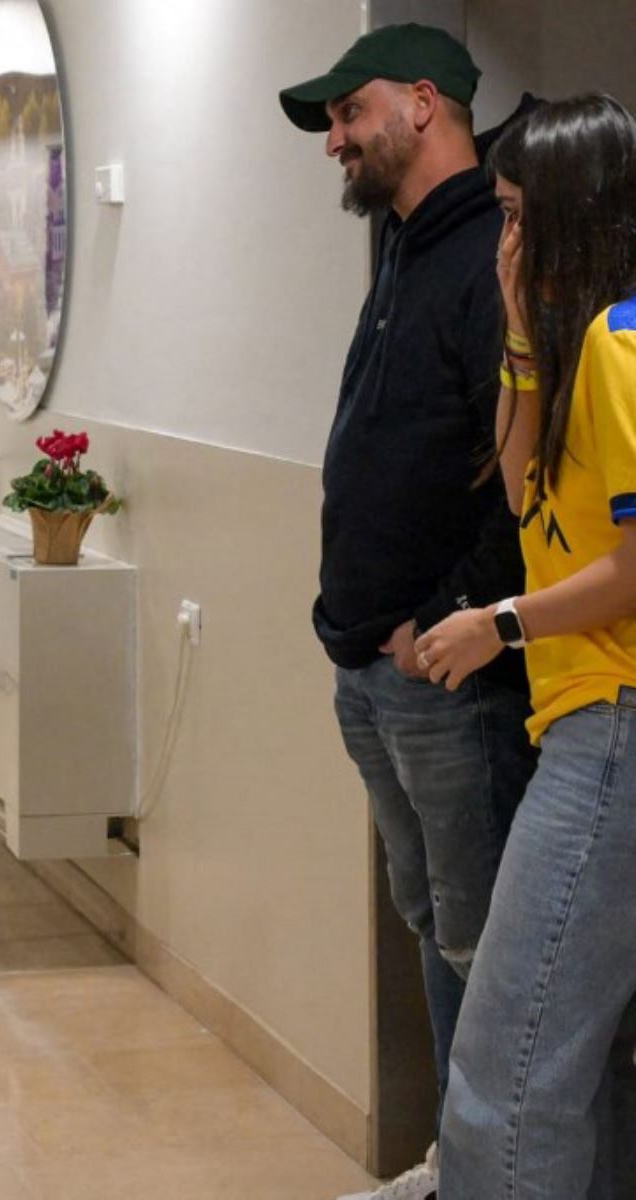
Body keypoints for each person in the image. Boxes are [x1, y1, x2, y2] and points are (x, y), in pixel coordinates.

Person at [279, 25, 537, 1200]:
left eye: (349, 113)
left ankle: (478, 1170)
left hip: (448, 678)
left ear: (425, 104)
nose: (335, 140)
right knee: (438, 923)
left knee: (486, 944)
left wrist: (447, 614)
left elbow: (520, 462)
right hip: (376, 675)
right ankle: (454, 1159)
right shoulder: (405, 247)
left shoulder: (493, 248)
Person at [415, 92, 636, 1199]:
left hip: (614, 729)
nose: (504, 241)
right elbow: (526, 502)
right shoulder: (576, 345)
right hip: (587, 725)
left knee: (506, 1069)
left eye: (515, 218)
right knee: (567, 1066)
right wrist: (514, 329)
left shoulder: (623, 341)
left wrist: (499, 625)